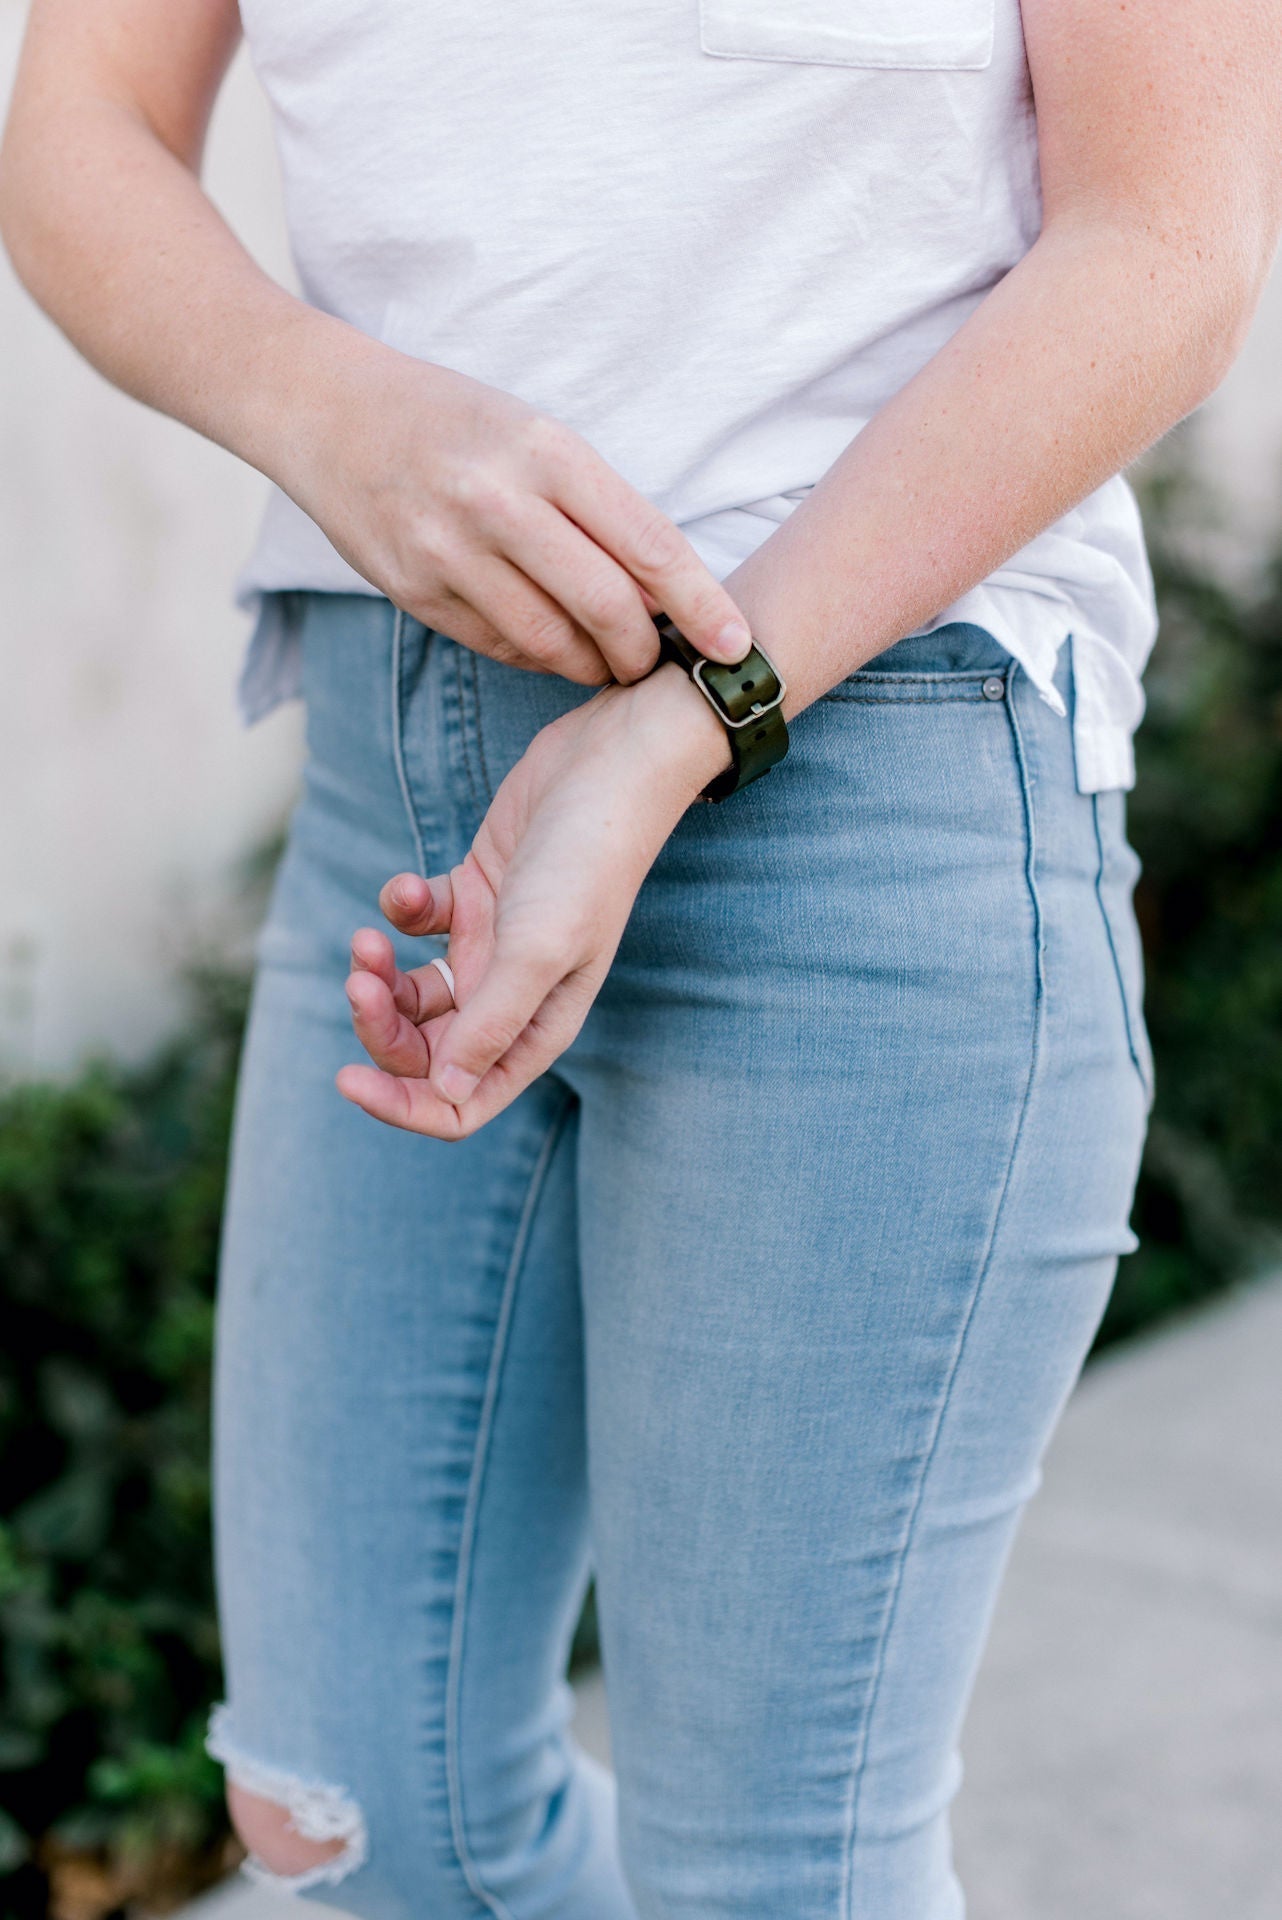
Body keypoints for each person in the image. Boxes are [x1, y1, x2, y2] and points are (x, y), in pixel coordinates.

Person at [3, 2, 1279, 1914]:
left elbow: (1168, 240)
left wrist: (699, 711)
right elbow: (81, 122)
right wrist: (325, 408)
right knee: (356, 1809)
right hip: (393, 780)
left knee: (769, 1878)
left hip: (860, 775)